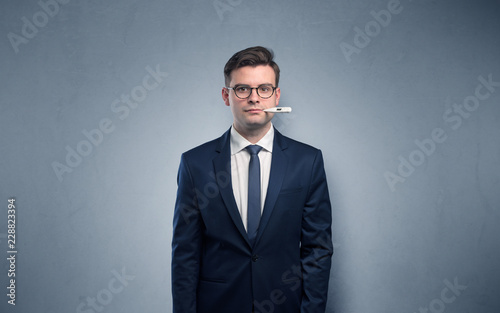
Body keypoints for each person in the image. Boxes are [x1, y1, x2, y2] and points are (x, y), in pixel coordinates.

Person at [172, 46, 333, 313]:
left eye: (264, 89)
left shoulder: (308, 161)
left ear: (276, 95)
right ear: (227, 95)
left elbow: (318, 250)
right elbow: (185, 253)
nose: (254, 98)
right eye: (243, 89)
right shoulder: (195, 164)